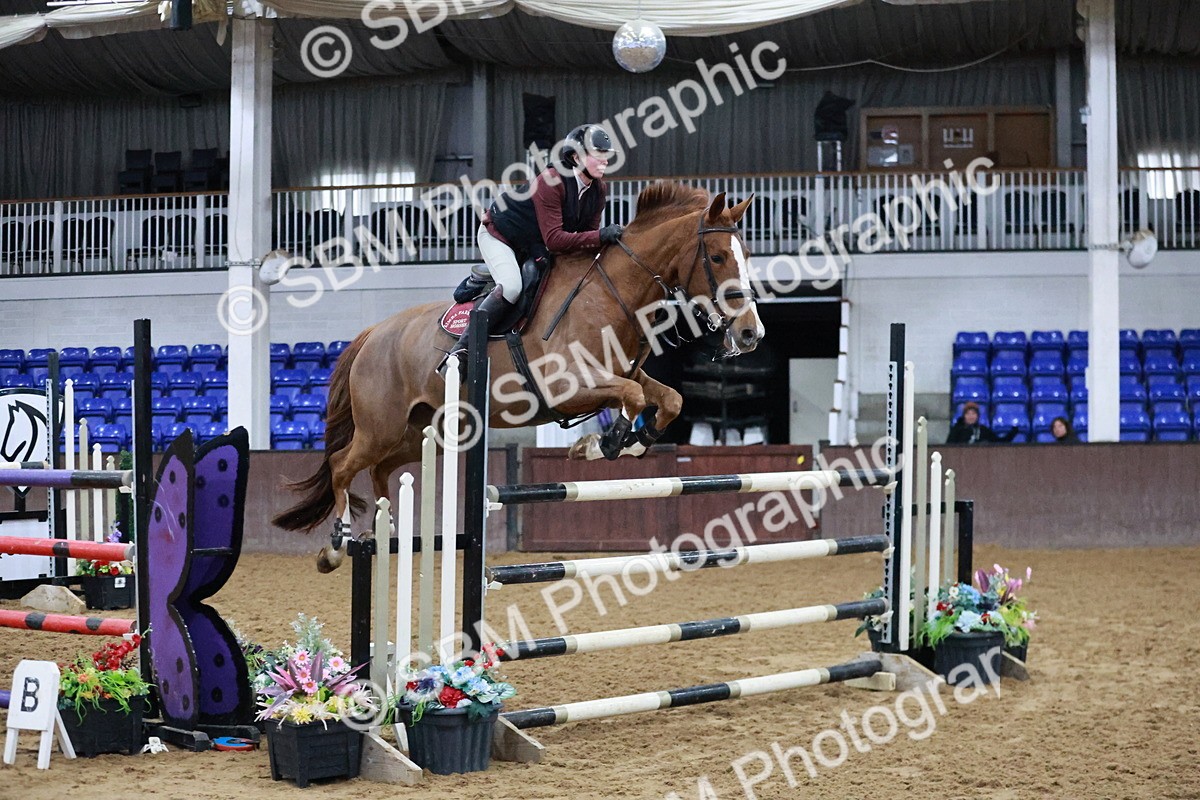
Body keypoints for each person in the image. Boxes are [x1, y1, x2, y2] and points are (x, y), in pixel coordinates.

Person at [438, 123, 625, 374]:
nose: (605, 160)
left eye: (606, 154)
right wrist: (602, 236)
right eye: (598, 154)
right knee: (512, 287)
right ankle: (461, 350)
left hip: (534, 242)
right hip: (501, 234)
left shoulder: (598, 189)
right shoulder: (551, 181)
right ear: (575, 157)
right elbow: (555, 240)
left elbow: (586, 236)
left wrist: (602, 242)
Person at [946, 401, 1019, 444]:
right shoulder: (957, 430)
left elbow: (998, 442)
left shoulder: (983, 430)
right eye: (968, 414)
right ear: (964, 416)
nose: (971, 416)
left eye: (973, 414)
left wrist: (1012, 433)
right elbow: (949, 447)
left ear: (977, 416)